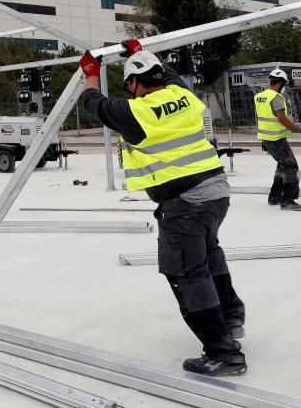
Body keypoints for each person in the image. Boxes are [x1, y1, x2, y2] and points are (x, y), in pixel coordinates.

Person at [79, 39, 246, 377]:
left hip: (185, 204)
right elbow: (171, 76)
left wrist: (90, 73)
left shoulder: (136, 112)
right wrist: (139, 52)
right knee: (209, 256)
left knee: (186, 273)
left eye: (131, 85)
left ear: (134, 83)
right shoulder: (184, 96)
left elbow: (91, 101)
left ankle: (223, 353)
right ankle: (230, 319)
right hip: (216, 194)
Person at [254, 69, 301, 211]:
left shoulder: (259, 96)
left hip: (268, 139)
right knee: (291, 167)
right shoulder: (276, 97)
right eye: (284, 83)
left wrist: (264, 140)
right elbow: (282, 119)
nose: (284, 86)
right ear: (280, 82)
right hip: (276, 139)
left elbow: (261, 118)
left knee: (282, 166)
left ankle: (274, 197)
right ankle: (288, 200)